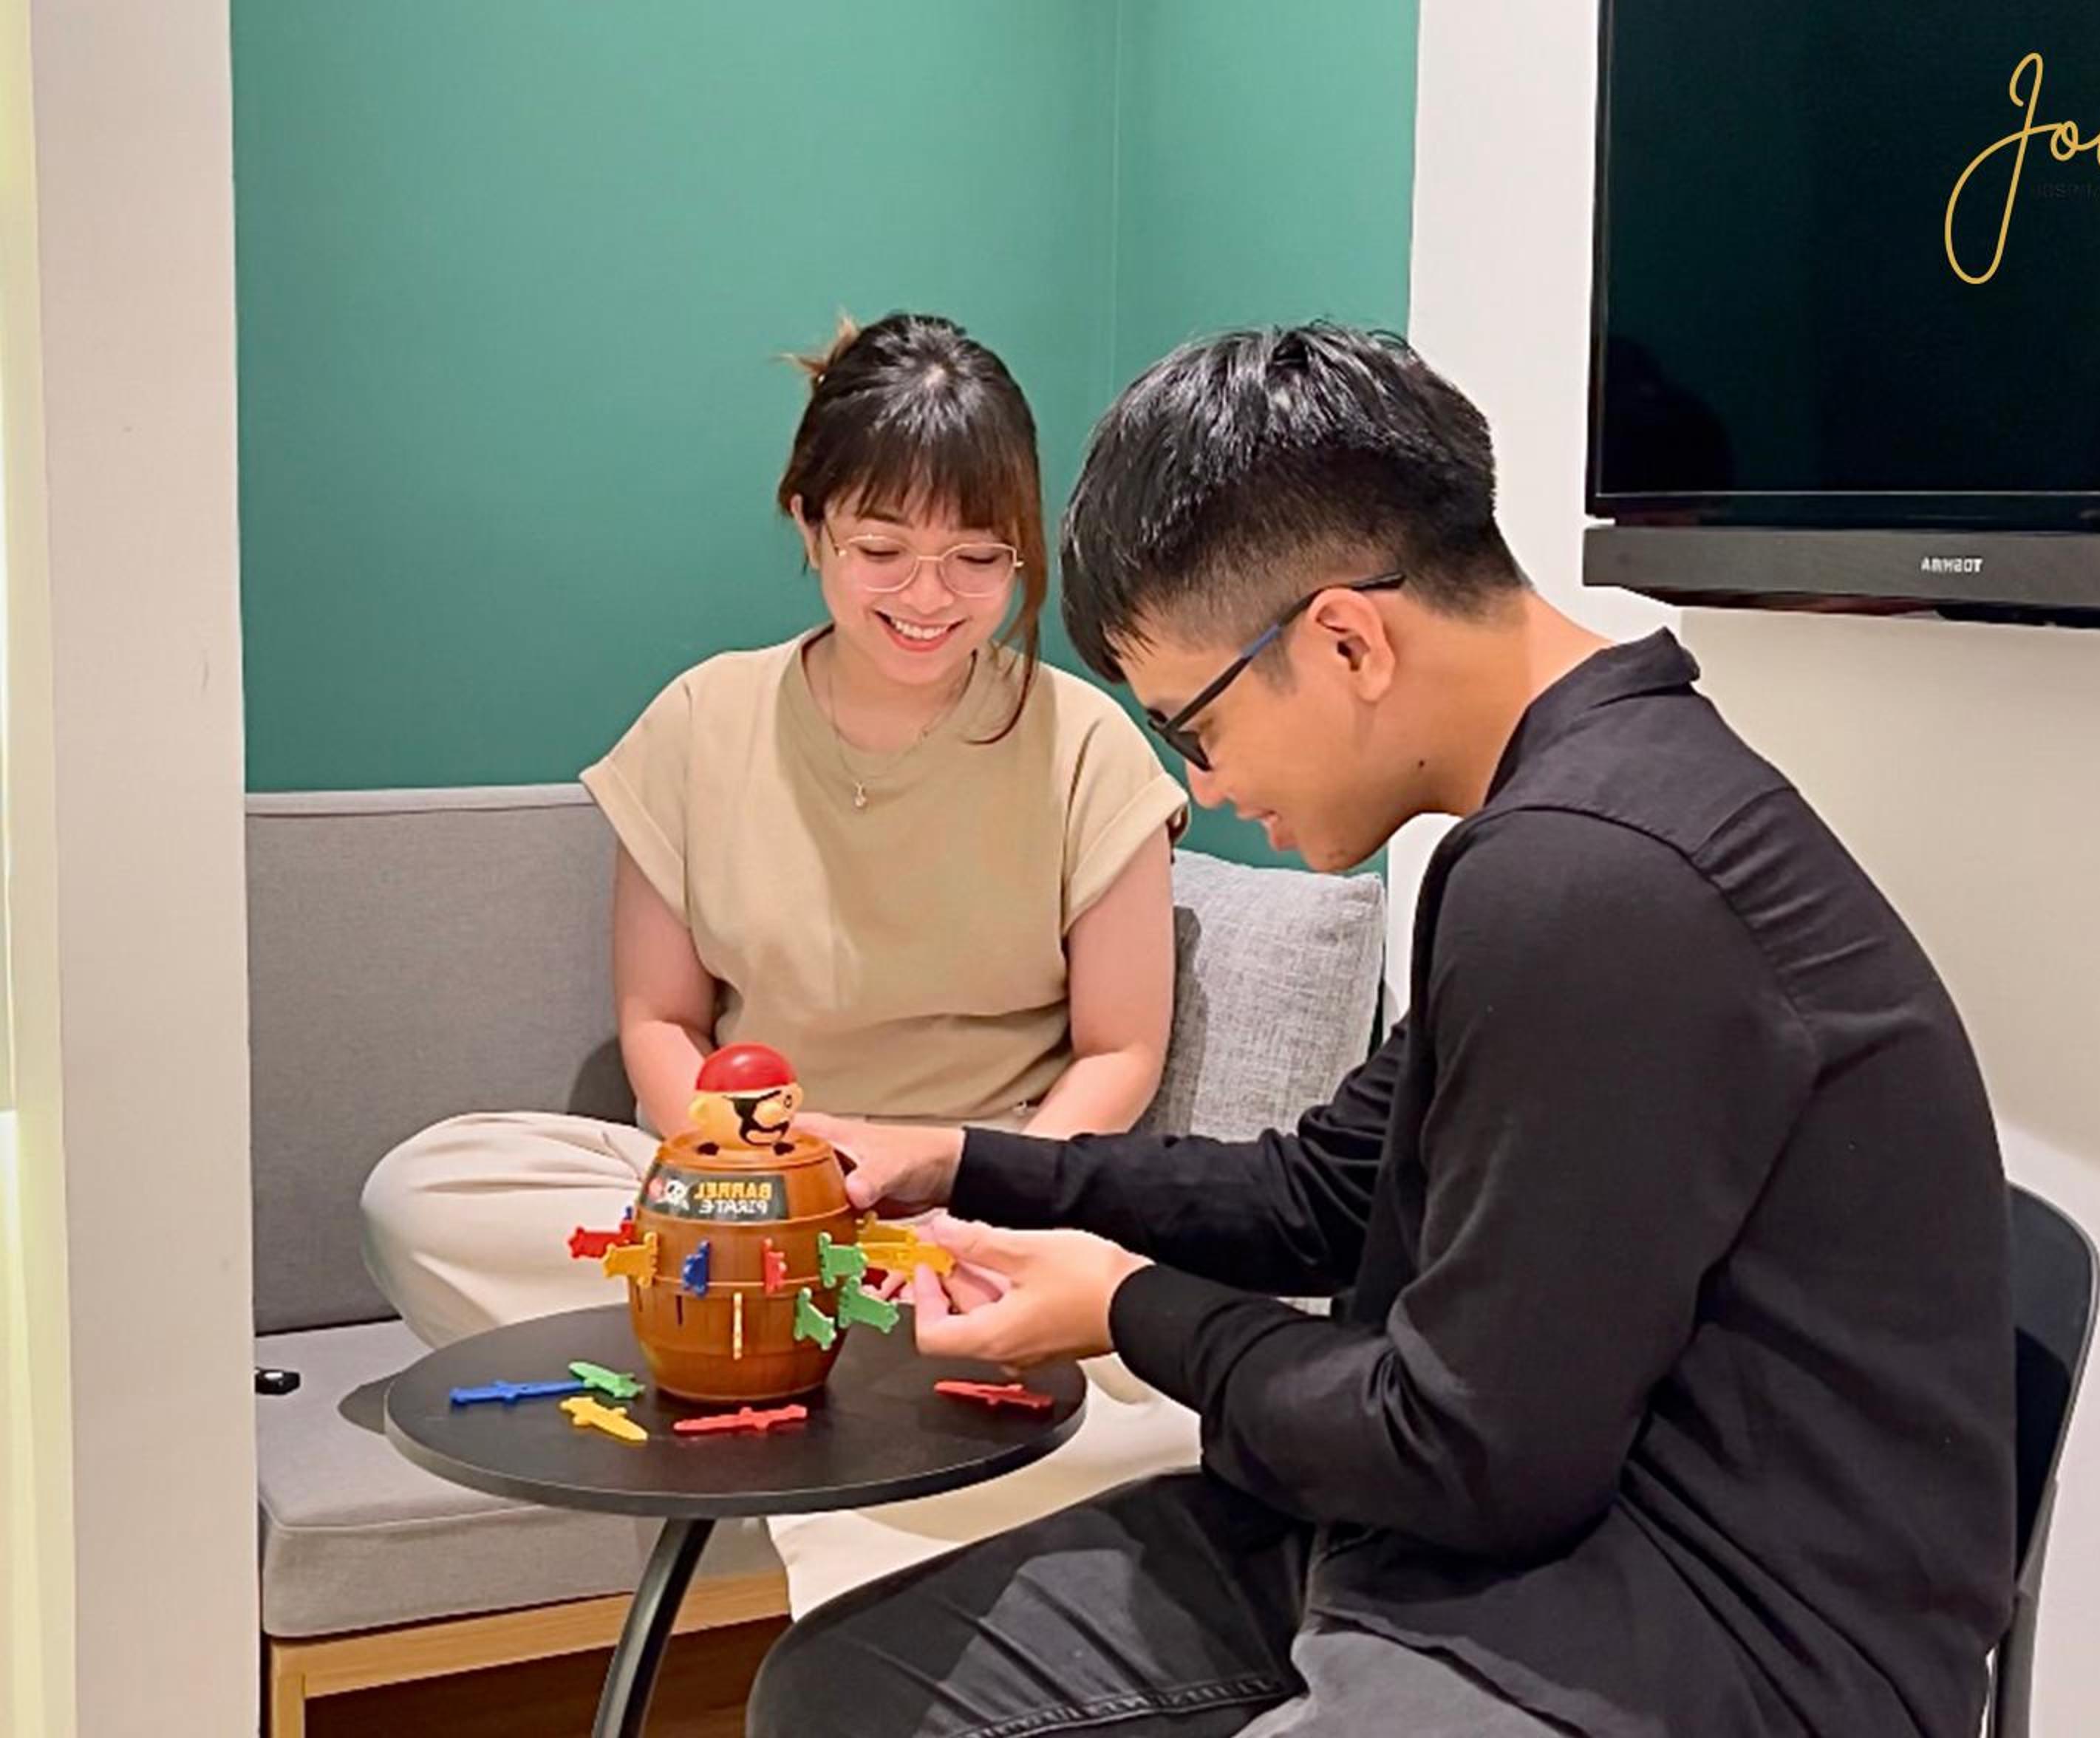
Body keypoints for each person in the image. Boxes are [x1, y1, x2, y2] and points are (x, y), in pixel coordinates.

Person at [749, 324, 2017, 1737]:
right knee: (840, 1691)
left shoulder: (1598, 877)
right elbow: (1325, 1190)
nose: (1205, 787)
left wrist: (1126, 1310)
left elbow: (1472, 1451)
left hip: (1697, 1626)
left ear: (1346, 640)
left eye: (1193, 730)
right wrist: (962, 1163)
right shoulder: (1556, 824)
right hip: (1476, 1542)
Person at [360, 313, 1199, 1594]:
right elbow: (660, 1020)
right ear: (809, 524)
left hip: (970, 1202)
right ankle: (843, 1375)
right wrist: (748, 1183)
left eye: (979, 557)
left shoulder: (1084, 744)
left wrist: (977, 1195)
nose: (930, 597)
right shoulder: (702, 721)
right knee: (426, 1190)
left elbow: (1121, 1049)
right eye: (883, 550)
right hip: (738, 1199)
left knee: (1160, 1373)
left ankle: (780, 1375)